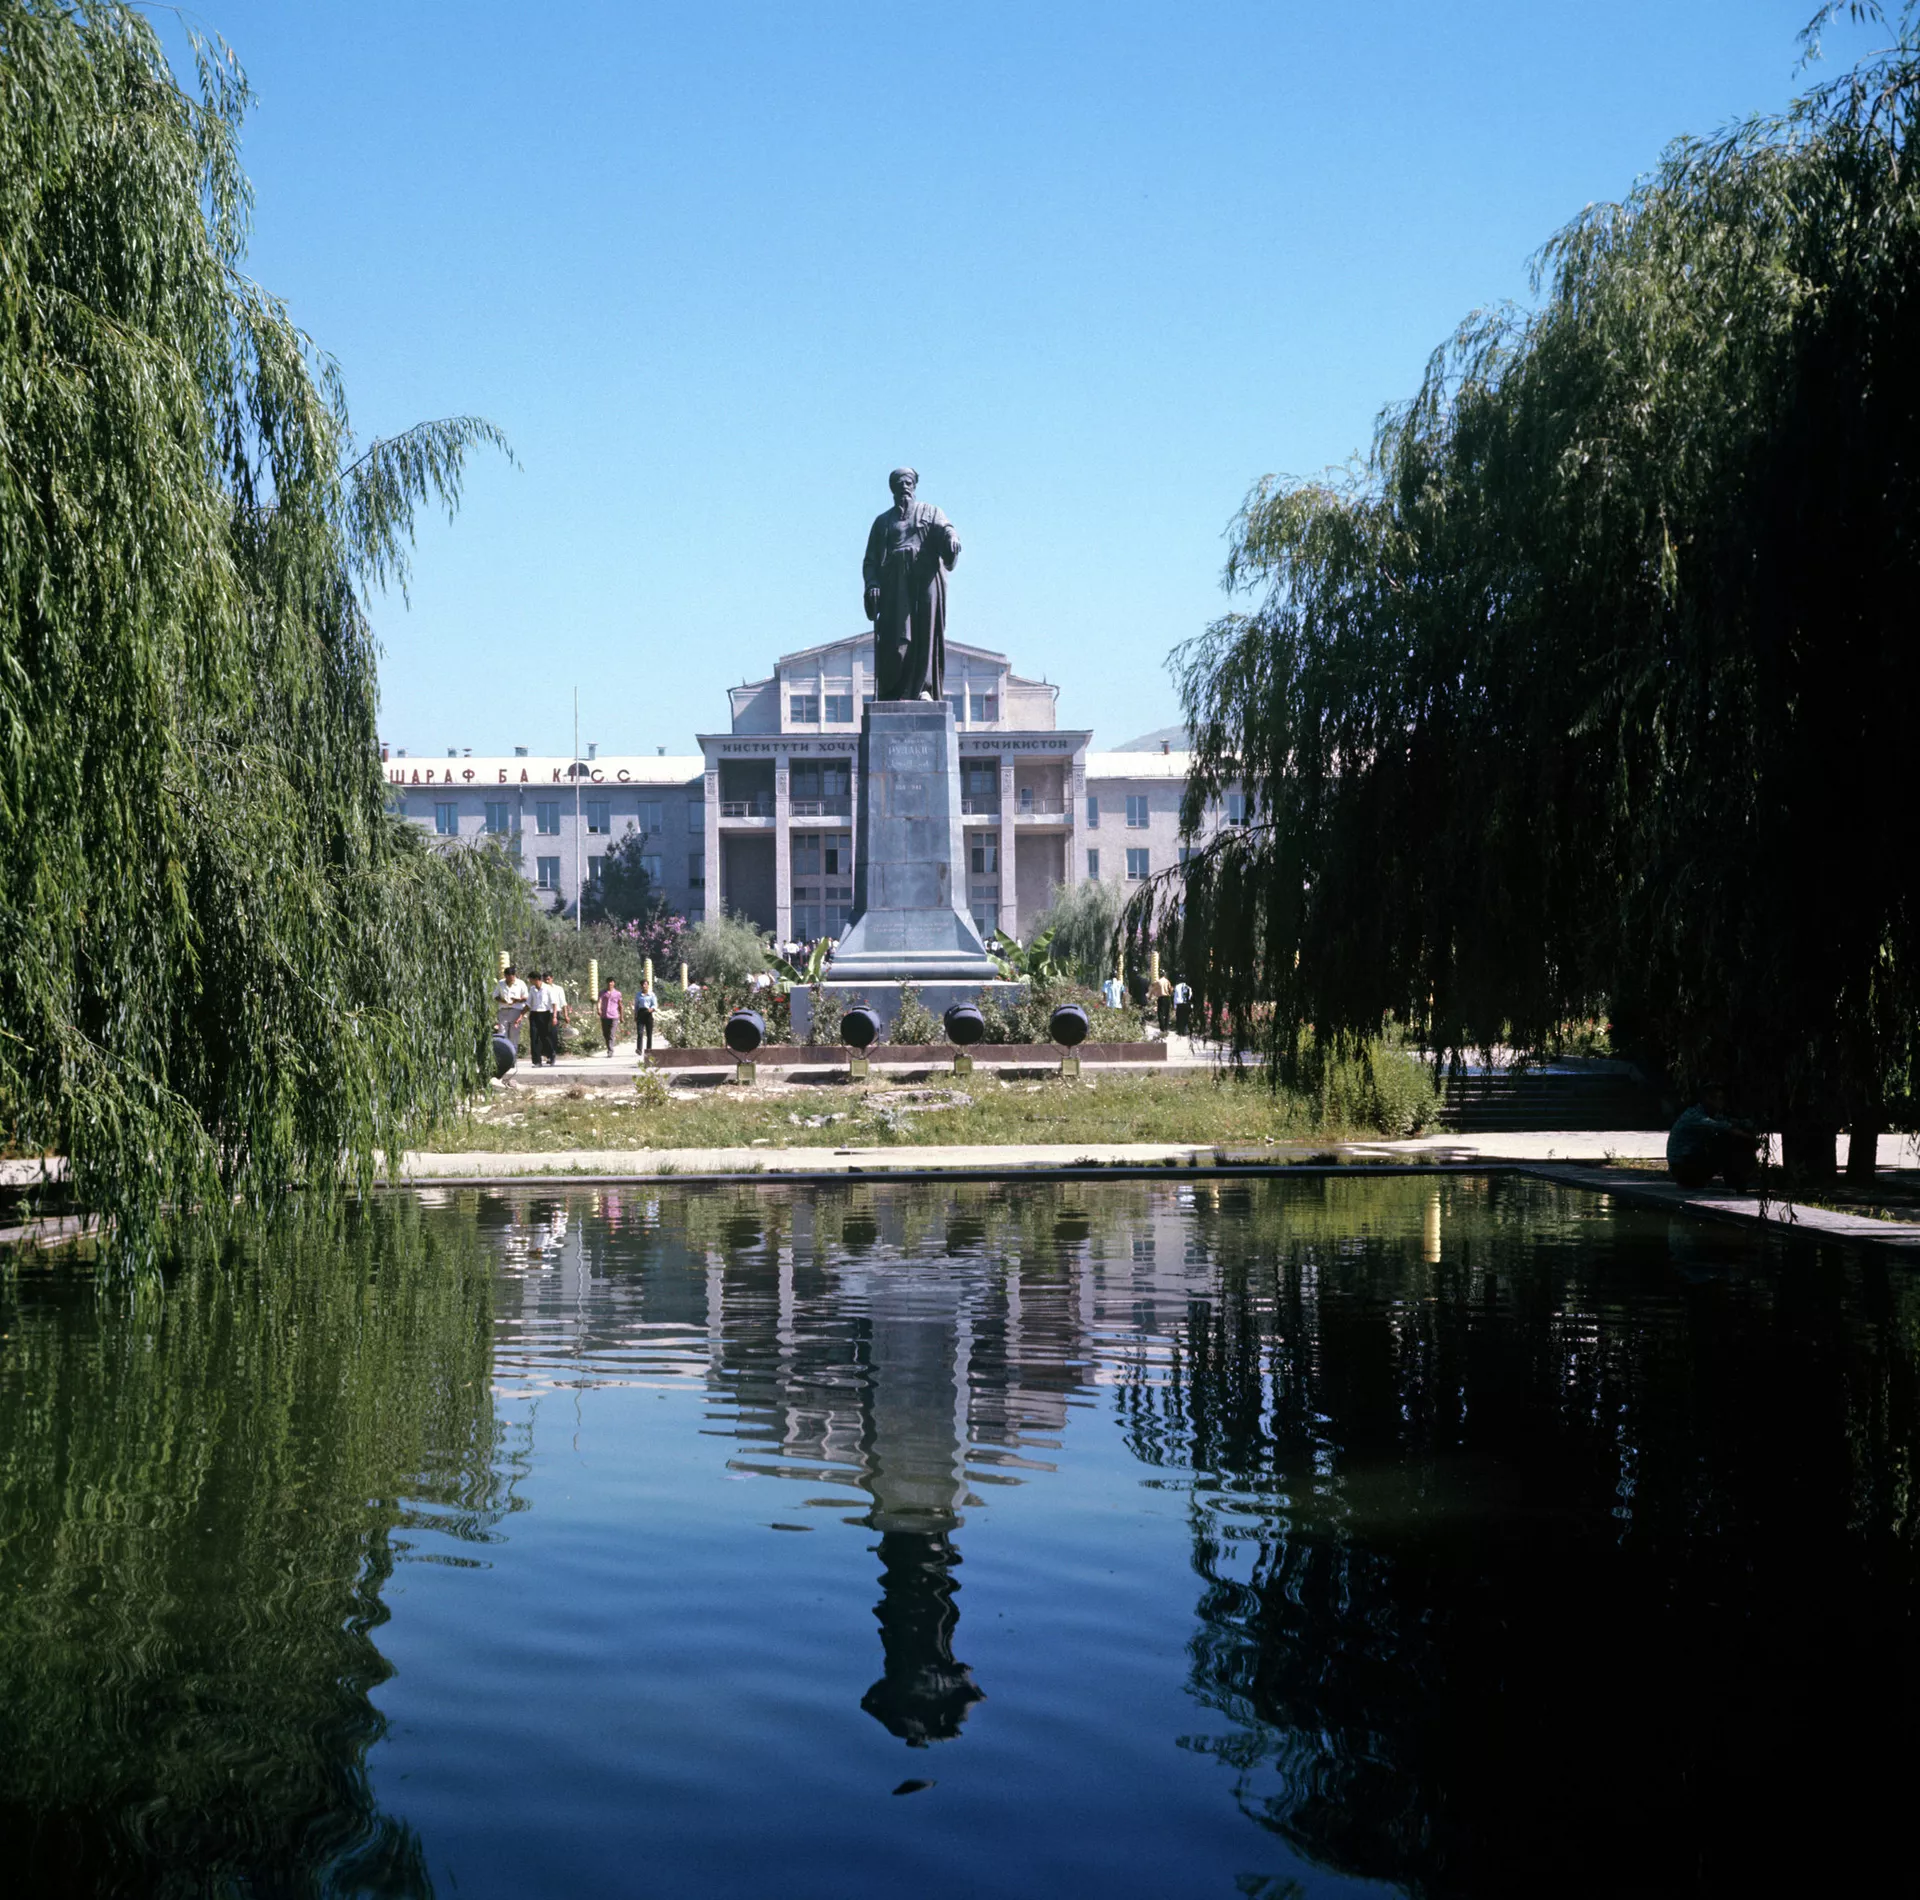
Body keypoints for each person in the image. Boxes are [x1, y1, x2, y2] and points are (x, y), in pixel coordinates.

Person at [862, 467, 961, 702]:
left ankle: (924, 688)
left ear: (914, 486)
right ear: (892, 490)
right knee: (896, 639)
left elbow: (946, 529)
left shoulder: (931, 512)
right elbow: (870, 561)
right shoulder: (883, 522)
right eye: (899, 484)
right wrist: (872, 584)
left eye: (908, 483)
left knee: (926, 632)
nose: (904, 487)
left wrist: (952, 538)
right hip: (894, 586)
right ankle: (893, 691)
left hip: (925, 580)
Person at [1667, 1082, 1759, 1189]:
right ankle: (1736, 1182)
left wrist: (1747, 1124)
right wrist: (1748, 1137)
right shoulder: (1695, 1115)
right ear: (1708, 1099)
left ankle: (1739, 1179)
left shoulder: (1710, 1114)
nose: (1722, 1102)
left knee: (1725, 1141)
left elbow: (1729, 1121)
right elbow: (1721, 1126)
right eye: (1719, 1098)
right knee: (1725, 1141)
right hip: (1682, 1168)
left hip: (1688, 1163)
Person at [493, 964, 529, 1050]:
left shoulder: (520, 983)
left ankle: (513, 1053)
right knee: (502, 1032)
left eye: (512, 976)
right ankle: (503, 1052)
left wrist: (518, 1000)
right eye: (508, 977)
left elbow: (526, 998)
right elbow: (495, 995)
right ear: (505, 976)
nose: (511, 978)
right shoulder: (501, 983)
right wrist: (502, 1000)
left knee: (514, 1034)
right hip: (503, 1011)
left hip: (516, 1011)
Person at [526, 971, 556, 1068]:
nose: (530, 981)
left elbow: (554, 1003)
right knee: (534, 1037)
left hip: (545, 1014)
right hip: (534, 1014)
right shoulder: (532, 989)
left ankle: (551, 1054)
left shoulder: (548, 988)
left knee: (545, 1037)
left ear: (536, 979)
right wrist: (521, 1015)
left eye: (531, 979)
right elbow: (528, 1004)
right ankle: (537, 1061)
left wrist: (554, 1017)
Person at [633, 977, 658, 1060]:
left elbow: (655, 1004)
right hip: (640, 1013)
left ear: (648, 985)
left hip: (648, 1013)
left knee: (649, 1034)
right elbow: (636, 1006)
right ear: (641, 986)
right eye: (642, 985)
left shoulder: (652, 995)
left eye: (645, 984)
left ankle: (649, 1050)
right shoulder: (638, 995)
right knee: (640, 1032)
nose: (644, 986)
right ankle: (639, 1049)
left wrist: (652, 1009)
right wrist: (635, 1015)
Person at [597, 979, 623, 1056]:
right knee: (606, 1034)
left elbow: (620, 1005)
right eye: (608, 982)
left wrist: (621, 1016)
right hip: (604, 1016)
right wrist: (598, 1009)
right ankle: (609, 1047)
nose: (610, 983)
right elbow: (599, 1001)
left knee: (611, 1033)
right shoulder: (602, 992)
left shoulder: (617, 993)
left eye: (611, 982)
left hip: (614, 1016)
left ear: (614, 983)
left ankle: (610, 1051)